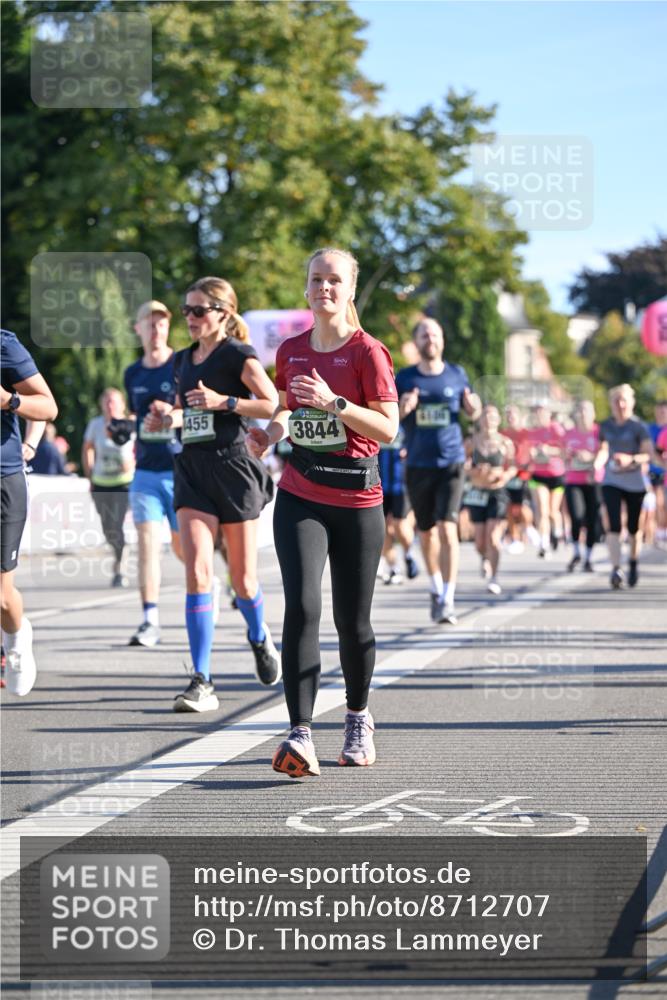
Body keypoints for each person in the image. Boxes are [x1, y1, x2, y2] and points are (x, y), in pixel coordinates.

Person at [247, 248, 399, 777]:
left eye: (335, 280)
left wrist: (336, 402)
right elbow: (287, 412)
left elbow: (387, 430)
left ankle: (357, 717)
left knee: (352, 621)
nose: (324, 288)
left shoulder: (369, 353)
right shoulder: (289, 351)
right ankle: (299, 733)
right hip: (301, 495)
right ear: (307, 287)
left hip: (358, 501)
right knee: (303, 608)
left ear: (350, 289)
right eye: (317, 279)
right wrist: (268, 434)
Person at [144, 275, 280, 711]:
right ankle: (202, 680)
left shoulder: (238, 355)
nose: (190, 318)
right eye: (186, 310)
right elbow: (189, 415)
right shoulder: (182, 360)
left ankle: (259, 637)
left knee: (242, 580)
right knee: (198, 570)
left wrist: (226, 402)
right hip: (193, 470)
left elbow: (272, 403)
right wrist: (168, 419)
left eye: (199, 310)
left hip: (234, 467)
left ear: (223, 312)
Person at [395, 318, 481, 624]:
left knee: (447, 528)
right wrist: (405, 407)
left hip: (451, 461)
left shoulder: (457, 374)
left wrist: (474, 407)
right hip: (418, 463)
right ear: (416, 342)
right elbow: (392, 418)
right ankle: (435, 586)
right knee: (426, 532)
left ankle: (448, 597)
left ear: (442, 340)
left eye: (434, 333)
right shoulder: (404, 378)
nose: (429, 338)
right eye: (423, 334)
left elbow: (474, 410)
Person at [124, 300, 185, 647]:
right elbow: (137, 417)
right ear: (139, 329)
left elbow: (193, 408)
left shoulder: (181, 364)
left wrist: (171, 411)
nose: (155, 328)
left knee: (182, 549)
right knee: (146, 545)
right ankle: (150, 620)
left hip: (180, 469)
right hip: (145, 471)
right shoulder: (132, 373)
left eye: (161, 323)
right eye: (149, 323)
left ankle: (208, 582)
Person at [1, 328, 58, 696]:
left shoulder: (4, 344)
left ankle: (17, 635)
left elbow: (48, 407)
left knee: (3, 597)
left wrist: (8, 400)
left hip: (3, 478)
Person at [594, 384, 653, 589]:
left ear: (631, 403)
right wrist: (598, 462)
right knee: (613, 524)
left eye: (623, 400)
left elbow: (648, 454)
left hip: (634, 482)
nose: (620, 404)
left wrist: (630, 459)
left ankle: (634, 562)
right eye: (616, 400)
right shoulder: (606, 426)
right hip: (612, 480)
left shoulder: (638, 427)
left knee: (633, 528)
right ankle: (616, 568)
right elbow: (603, 448)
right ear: (611, 403)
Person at [82, 388, 136, 587]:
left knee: (117, 523)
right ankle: (119, 552)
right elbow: (87, 448)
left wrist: (133, 463)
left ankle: (120, 568)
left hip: (124, 482)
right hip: (100, 482)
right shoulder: (96, 425)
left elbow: (141, 448)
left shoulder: (131, 423)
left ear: (122, 404)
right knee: (108, 528)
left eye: (113, 402)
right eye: (106, 402)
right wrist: (89, 475)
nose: (110, 405)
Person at [465, 404, 516, 595]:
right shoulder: (471, 442)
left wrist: (504, 476)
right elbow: (462, 465)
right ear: (480, 420)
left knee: (494, 538)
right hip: (477, 492)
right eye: (485, 416)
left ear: (498, 421)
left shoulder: (505, 443)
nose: (489, 420)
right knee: (479, 542)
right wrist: (473, 471)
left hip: (497, 492)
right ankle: (484, 558)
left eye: (493, 417)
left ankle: (494, 578)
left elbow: (513, 467)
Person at [563, 400, 602, 572]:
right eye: (580, 410)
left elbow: (605, 451)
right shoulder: (569, 434)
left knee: (592, 519)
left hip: (593, 481)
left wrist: (592, 460)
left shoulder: (598, 432)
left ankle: (588, 556)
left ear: (593, 413)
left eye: (587, 410)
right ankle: (576, 552)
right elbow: (563, 455)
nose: (584, 413)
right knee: (576, 517)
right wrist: (570, 457)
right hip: (573, 480)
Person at [377, 429, 419, 585]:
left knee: (399, 524)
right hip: (378, 483)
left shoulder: (408, 421)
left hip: (401, 485)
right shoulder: (375, 414)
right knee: (382, 528)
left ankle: (409, 553)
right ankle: (394, 567)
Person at [525, 403, 566, 558]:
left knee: (553, 511)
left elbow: (565, 450)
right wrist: (532, 454)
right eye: (537, 414)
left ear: (549, 415)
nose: (540, 417)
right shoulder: (532, 432)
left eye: (542, 414)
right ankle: (544, 543)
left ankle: (557, 532)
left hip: (556, 474)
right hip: (538, 474)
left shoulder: (556, 429)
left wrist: (549, 450)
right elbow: (526, 452)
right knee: (542, 509)